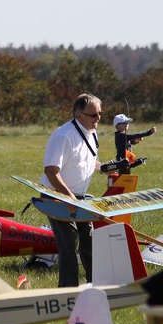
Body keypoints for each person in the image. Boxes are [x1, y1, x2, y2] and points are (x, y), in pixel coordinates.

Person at [40, 93, 102, 287]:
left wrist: (107, 167)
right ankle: (68, 290)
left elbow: (85, 162)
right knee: (69, 243)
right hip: (56, 197)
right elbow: (51, 171)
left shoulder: (91, 133)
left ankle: (98, 285)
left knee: (89, 241)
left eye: (100, 114)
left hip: (78, 197)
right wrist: (69, 198)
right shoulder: (64, 136)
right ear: (79, 115)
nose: (98, 119)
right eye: (93, 115)